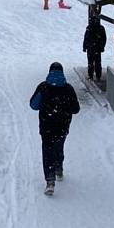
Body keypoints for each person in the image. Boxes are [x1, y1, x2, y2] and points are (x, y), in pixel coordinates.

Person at [29, 61, 80, 196]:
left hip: (46, 125)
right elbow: (76, 109)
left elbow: (33, 105)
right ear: (62, 72)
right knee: (58, 146)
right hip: (63, 126)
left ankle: (50, 181)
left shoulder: (43, 87)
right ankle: (59, 168)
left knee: (47, 151)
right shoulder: (68, 88)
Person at [82, 17, 107, 81]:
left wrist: (85, 47)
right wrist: (102, 46)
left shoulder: (89, 27)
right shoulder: (100, 28)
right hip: (97, 48)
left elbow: (86, 38)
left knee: (91, 62)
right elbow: (104, 39)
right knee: (97, 62)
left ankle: (91, 76)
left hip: (91, 48)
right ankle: (97, 76)